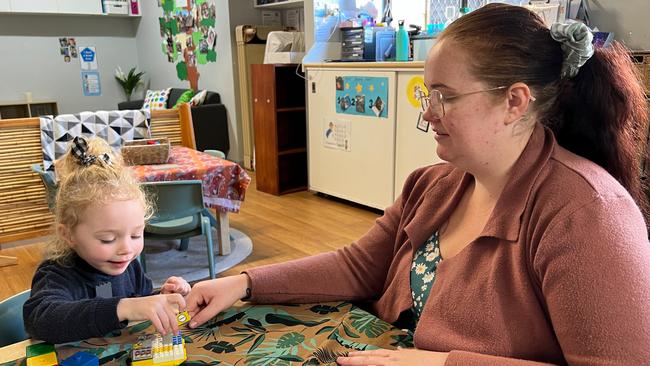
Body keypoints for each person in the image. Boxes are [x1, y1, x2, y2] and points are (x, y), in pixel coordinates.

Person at [186, 4, 650, 365]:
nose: (427, 113)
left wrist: (446, 361)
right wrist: (244, 284)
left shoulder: (588, 213)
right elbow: (358, 267)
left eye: (444, 96)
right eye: (428, 94)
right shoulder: (434, 184)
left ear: (514, 101)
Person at [24, 136, 191, 344]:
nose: (127, 249)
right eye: (108, 239)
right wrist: (124, 307)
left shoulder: (128, 266)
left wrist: (161, 297)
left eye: (136, 235)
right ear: (68, 235)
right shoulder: (56, 275)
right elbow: (41, 319)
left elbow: (140, 302)